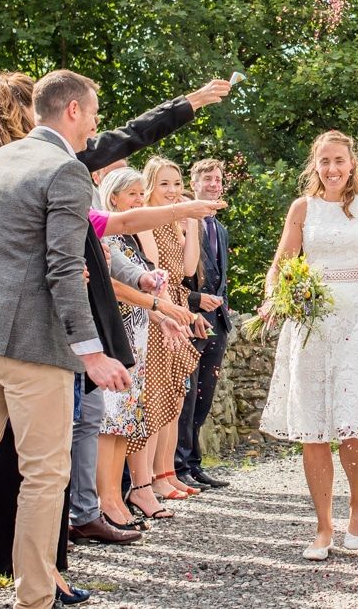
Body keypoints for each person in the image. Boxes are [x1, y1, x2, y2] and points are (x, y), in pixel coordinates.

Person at [0, 70, 133, 609]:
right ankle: (35, 598)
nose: (95, 123)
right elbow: (64, 268)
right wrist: (92, 352)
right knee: (45, 474)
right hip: (35, 347)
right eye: (93, 112)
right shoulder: (66, 170)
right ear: (71, 112)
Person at [259, 130, 358, 560]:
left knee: (352, 420)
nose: (333, 169)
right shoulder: (302, 208)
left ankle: (357, 508)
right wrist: (273, 298)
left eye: (339, 160)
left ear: (352, 163)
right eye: (324, 162)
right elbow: (282, 263)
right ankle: (322, 526)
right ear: (315, 165)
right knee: (314, 424)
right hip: (310, 320)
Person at [136, 156, 203, 502]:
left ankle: (166, 472)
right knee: (156, 395)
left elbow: (188, 268)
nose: (173, 190)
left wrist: (192, 222)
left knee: (176, 396)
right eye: (164, 184)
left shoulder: (175, 221)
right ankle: (146, 479)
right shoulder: (148, 219)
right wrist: (166, 315)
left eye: (177, 183)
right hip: (159, 308)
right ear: (149, 187)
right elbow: (153, 268)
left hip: (177, 303)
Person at [176, 158, 233, 489]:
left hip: (217, 321)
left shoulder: (220, 229)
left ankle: (194, 462)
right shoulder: (185, 222)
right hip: (190, 317)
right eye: (207, 179)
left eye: (218, 179)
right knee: (184, 394)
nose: (214, 184)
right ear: (193, 184)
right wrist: (195, 302)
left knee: (204, 395)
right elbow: (173, 272)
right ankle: (178, 464)